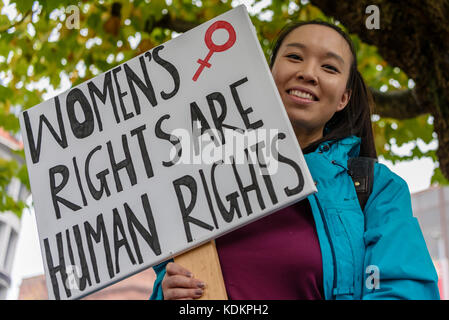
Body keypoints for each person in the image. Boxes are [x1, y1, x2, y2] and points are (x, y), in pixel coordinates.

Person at [149, 20, 440, 300]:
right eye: (294, 56)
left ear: (344, 98)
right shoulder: (195, 181)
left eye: (329, 67)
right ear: (266, 74)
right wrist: (168, 293)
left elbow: (404, 291)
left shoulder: (377, 189)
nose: (308, 73)